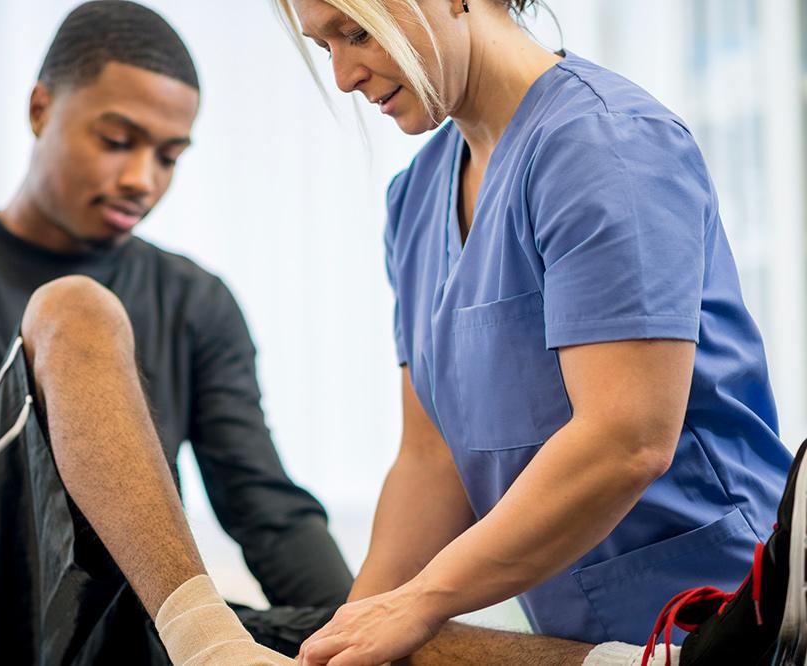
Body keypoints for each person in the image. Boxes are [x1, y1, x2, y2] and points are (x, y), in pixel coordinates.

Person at [0, 3, 354, 663]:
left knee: (432, 642)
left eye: (169, 156)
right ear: (41, 109)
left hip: (145, 624)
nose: (142, 179)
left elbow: (266, 510)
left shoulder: (197, 301)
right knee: (75, 309)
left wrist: (365, 636)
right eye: (118, 140)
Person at [272, 0, 802, 664]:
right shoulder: (416, 196)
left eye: (358, 33)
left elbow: (626, 439)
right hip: (588, 638)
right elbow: (431, 459)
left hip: (732, 616)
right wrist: (349, 636)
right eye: (325, 47)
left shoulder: (604, 144)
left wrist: (423, 601)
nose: (346, 76)